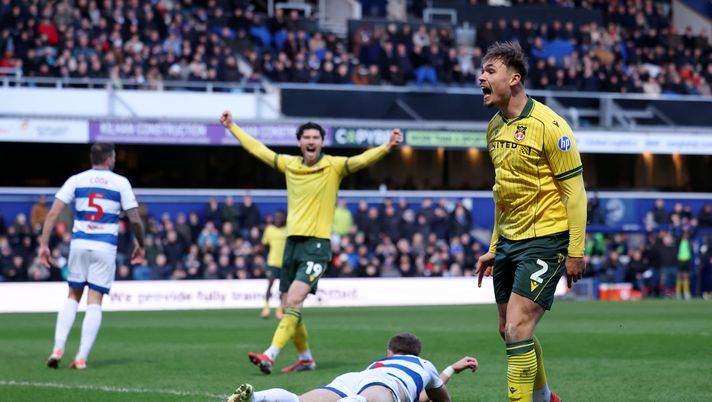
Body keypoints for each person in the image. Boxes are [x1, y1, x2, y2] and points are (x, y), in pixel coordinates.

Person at [219, 111, 402, 374]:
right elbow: (258, 149)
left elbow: (360, 160)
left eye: (316, 137)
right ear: (299, 142)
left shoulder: (334, 166)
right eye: (307, 137)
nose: (311, 141)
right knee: (289, 305)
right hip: (292, 245)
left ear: (322, 142)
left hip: (317, 245)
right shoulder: (289, 164)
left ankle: (270, 355)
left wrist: (386, 147)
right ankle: (306, 358)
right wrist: (232, 127)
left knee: (292, 301)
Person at [474, 41, 586, 402]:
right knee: (508, 332)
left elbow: (575, 194)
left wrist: (576, 252)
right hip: (509, 241)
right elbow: (500, 195)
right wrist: (494, 246)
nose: (481, 78)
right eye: (482, 71)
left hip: (546, 239)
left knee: (518, 328)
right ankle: (546, 397)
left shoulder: (550, 125)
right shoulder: (493, 128)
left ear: (515, 78)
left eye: (490, 71)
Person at [39, 143, 145, 370]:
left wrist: (43, 244)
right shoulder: (120, 183)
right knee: (94, 302)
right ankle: (81, 357)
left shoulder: (77, 180)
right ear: (109, 159)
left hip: (79, 244)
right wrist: (141, 245)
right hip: (104, 247)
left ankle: (58, 347)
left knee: (72, 297)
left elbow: (53, 212)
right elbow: (135, 219)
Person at [227, 332, 478, 402]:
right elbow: (434, 397)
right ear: (416, 353)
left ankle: (257, 397)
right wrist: (453, 369)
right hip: (388, 385)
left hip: (355, 378)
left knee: (299, 400)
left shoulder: (379, 362)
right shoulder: (424, 365)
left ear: (389, 352)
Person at [260, 209, 288, 319]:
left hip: (285, 263)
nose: (277, 219)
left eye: (280, 217)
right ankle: (266, 307)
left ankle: (280, 309)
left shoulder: (288, 230)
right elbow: (264, 245)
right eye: (276, 217)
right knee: (270, 284)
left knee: (283, 288)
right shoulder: (269, 230)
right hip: (272, 262)